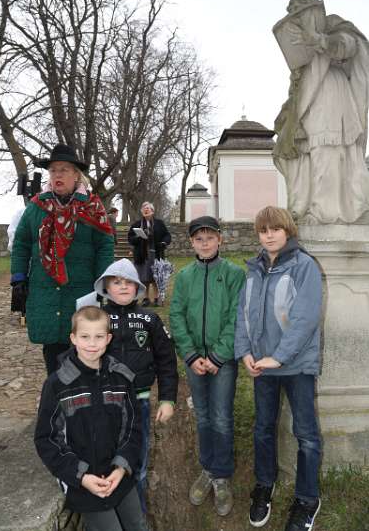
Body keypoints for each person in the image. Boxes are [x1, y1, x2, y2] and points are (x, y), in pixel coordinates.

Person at [234, 206, 322, 531]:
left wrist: (280, 356)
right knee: (263, 429)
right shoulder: (254, 269)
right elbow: (244, 313)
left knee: (306, 436)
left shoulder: (305, 267)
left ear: (288, 230)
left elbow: (305, 319)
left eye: (275, 228)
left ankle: (307, 499)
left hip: (296, 366)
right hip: (263, 367)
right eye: (263, 230)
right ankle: (264, 485)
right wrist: (244, 351)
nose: (269, 234)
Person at [34, 306, 147, 531]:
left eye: (98, 337)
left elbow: (133, 427)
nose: (92, 344)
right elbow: (46, 439)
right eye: (85, 336)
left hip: (119, 475)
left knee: (137, 524)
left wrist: (121, 468)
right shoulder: (57, 384)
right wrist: (81, 476)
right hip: (83, 481)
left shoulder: (121, 377)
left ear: (108, 339)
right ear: (73, 338)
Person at [10, 143, 114, 375]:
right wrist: (18, 278)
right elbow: (21, 243)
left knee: (84, 348)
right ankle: (57, 403)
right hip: (44, 289)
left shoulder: (92, 207)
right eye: (54, 170)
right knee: (53, 353)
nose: (58, 175)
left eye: (64, 170)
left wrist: (102, 283)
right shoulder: (36, 207)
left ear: (77, 175)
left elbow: (105, 246)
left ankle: (82, 404)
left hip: (81, 290)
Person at [169, 216, 245, 517]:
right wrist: (189, 354)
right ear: (191, 243)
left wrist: (217, 356)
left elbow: (236, 318)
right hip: (194, 360)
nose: (205, 243)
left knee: (221, 416)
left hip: (221, 360)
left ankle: (222, 474)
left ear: (220, 240)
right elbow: (176, 315)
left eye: (210, 238)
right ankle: (207, 468)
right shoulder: (185, 276)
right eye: (199, 239)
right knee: (202, 415)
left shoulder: (233, 274)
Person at [273, 0, 369, 224]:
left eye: (302, 13)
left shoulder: (334, 25)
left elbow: (349, 46)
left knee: (336, 152)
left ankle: (337, 211)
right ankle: (310, 207)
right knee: (311, 154)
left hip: (333, 94)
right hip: (309, 98)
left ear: (314, 10)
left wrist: (321, 41)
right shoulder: (300, 42)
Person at [92, 258, 178, 512]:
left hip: (138, 403)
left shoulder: (150, 320)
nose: (123, 287)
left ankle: (136, 517)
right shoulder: (97, 318)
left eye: (129, 282)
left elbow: (166, 361)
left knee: (137, 463)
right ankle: (109, 513)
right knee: (104, 461)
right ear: (106, 286)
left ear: (138, 287)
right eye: (116, 282)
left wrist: (167, 399)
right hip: (103, 404)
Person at [128, 202, 171, 306]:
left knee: (156, 277)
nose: (145, 210)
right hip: (142, 255)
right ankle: (146, 298)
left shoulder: (159, 223)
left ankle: (156, 298)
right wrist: (138, 237)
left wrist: (163, 243)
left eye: (148, 208)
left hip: (156, 254)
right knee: (144, 278)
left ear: (152, 211)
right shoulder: (136, 224)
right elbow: (130, 238)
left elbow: (167, 235)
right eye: (144, 209)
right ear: (142, 211)